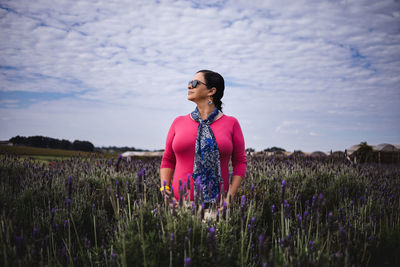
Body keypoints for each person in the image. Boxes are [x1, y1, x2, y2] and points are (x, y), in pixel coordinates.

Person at [160, 70, 247, 212]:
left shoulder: (231, 123)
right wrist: (165, 190)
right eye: (189, 83)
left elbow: (240, 163)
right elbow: (168, 160)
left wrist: (229, 199)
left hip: (216, 207)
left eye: (195, 83)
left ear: (211, 91)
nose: (189, 86)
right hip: (177, 205)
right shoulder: (178, 122)